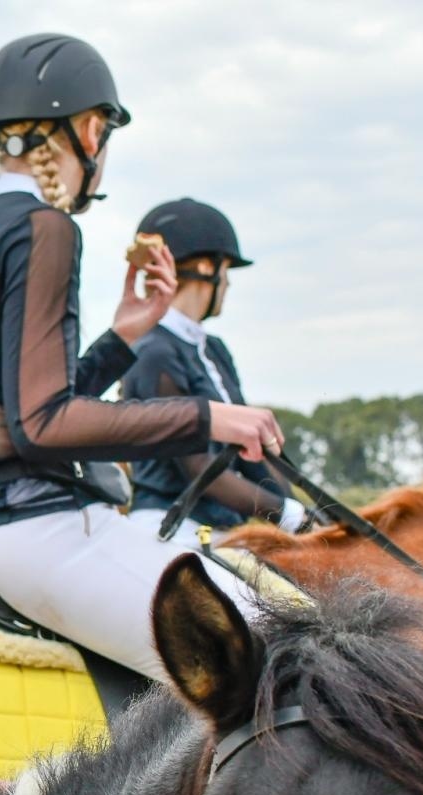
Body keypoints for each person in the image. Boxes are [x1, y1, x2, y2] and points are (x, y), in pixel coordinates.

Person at [0, 33, 286, 683]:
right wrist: (209, 417)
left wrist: (122, 337)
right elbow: (45, 425)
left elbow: (23, 413)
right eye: (105, 138)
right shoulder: (47, 227)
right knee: (275, 659)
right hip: (34, 525)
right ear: (88, 131)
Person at [121, 199, 306, 545]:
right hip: (171, 528)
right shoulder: (154, 353)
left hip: (221, 530)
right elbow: (197, 466)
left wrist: (304, 512)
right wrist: (285, 515)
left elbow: (251, 453)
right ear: (206, 268)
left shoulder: (214, 350)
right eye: (226, 272)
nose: (228, 284)